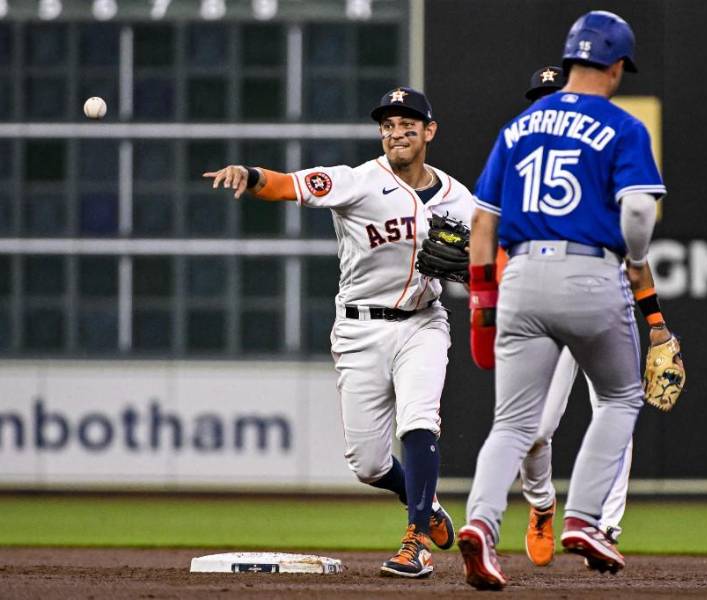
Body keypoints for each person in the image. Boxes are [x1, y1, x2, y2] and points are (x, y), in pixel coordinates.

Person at [203, 87, 475, 579]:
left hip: (423, 322)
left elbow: (484, 263)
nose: (397, 132)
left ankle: (415, 541)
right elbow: (290, 185)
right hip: (359, 328)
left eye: (408, 124)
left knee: (419, 420)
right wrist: (251, 175)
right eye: (389, 125)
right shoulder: (358, 182)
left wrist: (477, 273)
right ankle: (422, 501)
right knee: (368, 463)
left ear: (428, 132)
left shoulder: (460, 198)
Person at [457, 11, 676, 589]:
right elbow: (635, 211)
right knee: (621, 398)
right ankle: (583, 518)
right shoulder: (622, 126)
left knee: (511, 424)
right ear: (616, 64)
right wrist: (632, 259)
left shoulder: (517, 127)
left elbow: (483, 222)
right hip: (591, 275)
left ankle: (480, 525)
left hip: (522, 277)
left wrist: (483, 295)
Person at [517, 65, 674, 569]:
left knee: (617, 412)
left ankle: (604, 527)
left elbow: (636, 256)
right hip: (545, 312)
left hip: (607, 307)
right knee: (535, 430)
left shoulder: (606, 171)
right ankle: (542, 504)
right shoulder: (520, 173)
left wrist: (656, 323)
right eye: (539, 100)